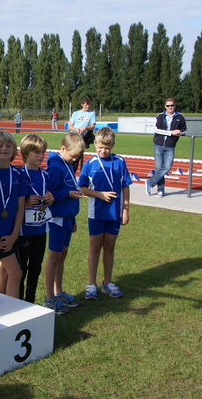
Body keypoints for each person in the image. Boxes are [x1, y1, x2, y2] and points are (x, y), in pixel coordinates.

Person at [78, 127, 131, 300]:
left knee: (109, 246)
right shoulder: (90, 163)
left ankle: (107, 282)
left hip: (114, 213)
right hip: (96, 213)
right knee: (94, 247)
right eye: (100, 147)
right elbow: (82, 188)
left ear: (113, 145)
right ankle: (91, 284)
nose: (103, 150)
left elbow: (125, 186)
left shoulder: (120, 161)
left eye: (107, 147)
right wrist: (100, 195)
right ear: (95, 144)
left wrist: (125, 209)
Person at [43, 133, 85, 314]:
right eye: (73, 155)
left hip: (67, 219)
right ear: (62, 149)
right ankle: (49, 297)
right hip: (56, 219)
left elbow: (72, 189)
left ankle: (58, 292)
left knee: (62, 256)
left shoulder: (68, 165)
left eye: (78, 157)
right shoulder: (55, 167)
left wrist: (73, 218)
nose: (75, 159)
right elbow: (49, 195)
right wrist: (67, 195)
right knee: (53, 258)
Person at [0, 130, 26, 298]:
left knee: (4, 272)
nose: (4, 149)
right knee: (16, 272)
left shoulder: (18, 174)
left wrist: (15, 234)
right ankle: (12, 312)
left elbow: (21, 207)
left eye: (8, 146)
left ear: (14, 150)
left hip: (12, 232)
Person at [18, 134, 53, 303]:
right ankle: (18, 301)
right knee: (21, 269)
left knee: (35, 267)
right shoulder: (18, 174)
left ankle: (30, 300)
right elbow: (11, 201)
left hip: (41, 229)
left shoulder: (45, 175)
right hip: (23, 230)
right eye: (36, 152)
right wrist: (24, 203)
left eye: (43, 152)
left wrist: (51, 199)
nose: (41, 156)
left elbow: (51, 197)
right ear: (25, 153)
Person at [145, 98, 187, 198]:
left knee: (167, 167)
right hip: (158, 145)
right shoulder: (160, 116)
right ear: (165, 106)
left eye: (172, 105)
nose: (170, 107)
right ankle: (160, 190)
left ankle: (150, 182)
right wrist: (170, 133)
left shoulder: (180, 117)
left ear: (174, 106)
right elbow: (156, 130)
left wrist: (179, 132)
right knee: (159, 168)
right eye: (168, 106)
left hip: (170, 146)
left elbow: (184, 130)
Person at [68, 96, 96, 172]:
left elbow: (92, 126)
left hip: (83, 136)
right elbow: (70, 126)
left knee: (76, 157)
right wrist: (76, 130)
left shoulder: (92, 114)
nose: (88, 106)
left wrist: (85, 128)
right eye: (86, 104)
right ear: (82, 104)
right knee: (69, 156)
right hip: (73, 135)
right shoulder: (76, 113)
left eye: (89, 104)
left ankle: (73, 172)